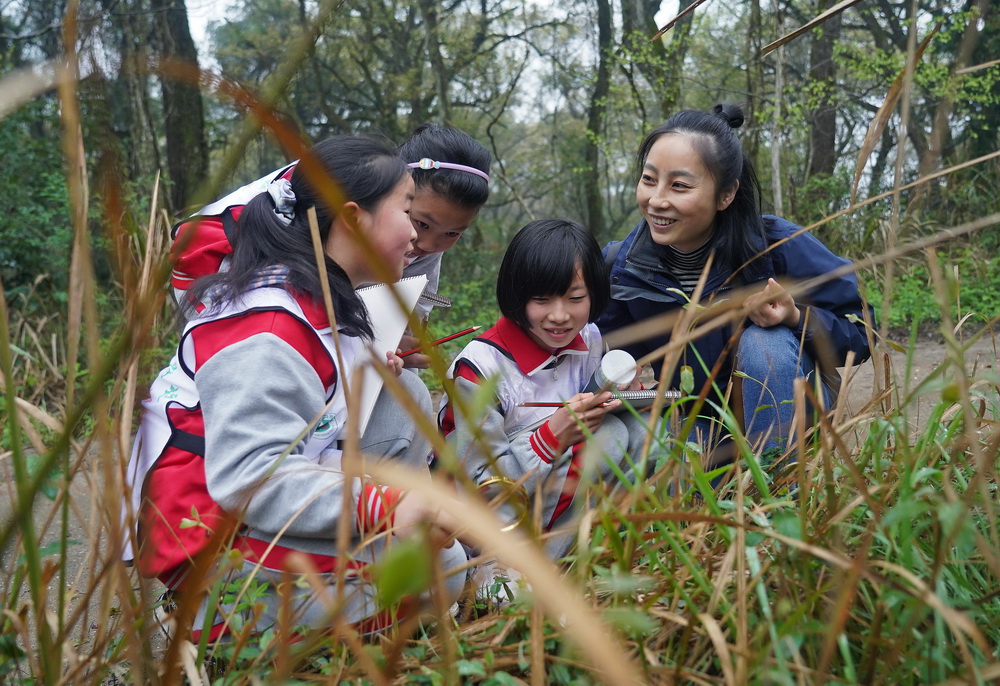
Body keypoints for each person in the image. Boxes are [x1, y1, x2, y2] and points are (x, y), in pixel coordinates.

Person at [124, 136, 467, 640]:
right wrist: (383, 506)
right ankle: (207, 620)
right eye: (409, 212)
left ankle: (339, 587)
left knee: (407, 398)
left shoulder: (325, 293)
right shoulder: (269, 330)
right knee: (441, 574)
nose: (419, 238)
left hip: (248, 509)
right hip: (209, 538)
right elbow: (249, 477)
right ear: (353, 219)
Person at [597, 104, 873, 460]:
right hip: (701, 420)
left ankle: (779, 493)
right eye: (649, 180)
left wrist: (796, 319)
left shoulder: (778, 248)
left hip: (790, 409)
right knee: (655, 458)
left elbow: (864, 331)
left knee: (764, 343)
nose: (657, 200)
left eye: (679, 185)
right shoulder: (624, 266)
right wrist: (618, 384)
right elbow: (603, 354)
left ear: (726, 194)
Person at [170, 123, 491, 367]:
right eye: (420, 223)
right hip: (215, 270)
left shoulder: (417, 234)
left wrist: (396, 347)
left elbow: (403, 324)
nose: (426, 245)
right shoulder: (333, 193)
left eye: (453, 235)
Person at [440, 219, 652, 564]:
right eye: (541, 300)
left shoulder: (591, 341)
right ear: (516, 296)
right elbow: (483, 491)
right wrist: (549, 437)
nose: (560, 316)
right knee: (608, 437)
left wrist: (627, 395)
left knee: (644, 430)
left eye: (575, 298)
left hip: (553, 500)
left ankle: (613, 545)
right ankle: (520, 572)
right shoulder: (478, 370)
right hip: (481, 526)